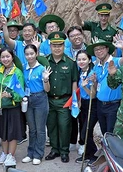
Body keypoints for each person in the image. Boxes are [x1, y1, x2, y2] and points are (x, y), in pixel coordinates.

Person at [45, 31, 78, 163]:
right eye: (54, 45)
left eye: (60, 45)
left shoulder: (70, 62)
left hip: (65, 100)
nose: (57, 48)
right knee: (51, 126)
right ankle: (54, 149)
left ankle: (64, 151)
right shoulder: (45, 61)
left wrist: (74, 101)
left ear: (64, 46)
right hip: (49, 100)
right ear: (50, 46)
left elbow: (74, 81)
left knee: (64, 126)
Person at [86, 37, 123, 135]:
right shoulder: (97, 66)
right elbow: (96, 86)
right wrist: (93, 81)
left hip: (114, 105)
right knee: (104, 133)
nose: (99, 51)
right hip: (100, 105)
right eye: (96, 49)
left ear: (107, 49)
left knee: (112, 134)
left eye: (101, 48)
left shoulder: (115, 61)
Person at [0, 48, 25, 167]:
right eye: (3, 57)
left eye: (8, 56)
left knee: (12, 133)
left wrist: (11, 95)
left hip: (12, 108)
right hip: (0, 108)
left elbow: (21, 94)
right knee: (3, 133)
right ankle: (4, 153)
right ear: (0, 59)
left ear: (12, 57)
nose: (5, 59)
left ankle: (11, 155)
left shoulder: (17, 73)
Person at [21, 45, 51, 165]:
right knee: (32, 129)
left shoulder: (42, 69)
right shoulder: (24, 68)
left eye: (32, 53)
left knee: (40, 129)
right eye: (27, 54)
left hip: (40, 99)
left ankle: (38, 154)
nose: (29, 56)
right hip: (28, 100)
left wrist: (45, 80)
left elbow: (47, 90)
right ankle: (30, 153)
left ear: (36, 54)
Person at [74, 50, 98, 164]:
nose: (81, 62)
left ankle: (94, 155)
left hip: (92, 105)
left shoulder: (92, 73)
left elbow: (93, 95)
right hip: (82, 104)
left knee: (86, 131)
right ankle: (87, 154)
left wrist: (84, 87)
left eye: (84, 59)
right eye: (79, 59)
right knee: (83, 129)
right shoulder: (79, 71)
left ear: (89, 60)